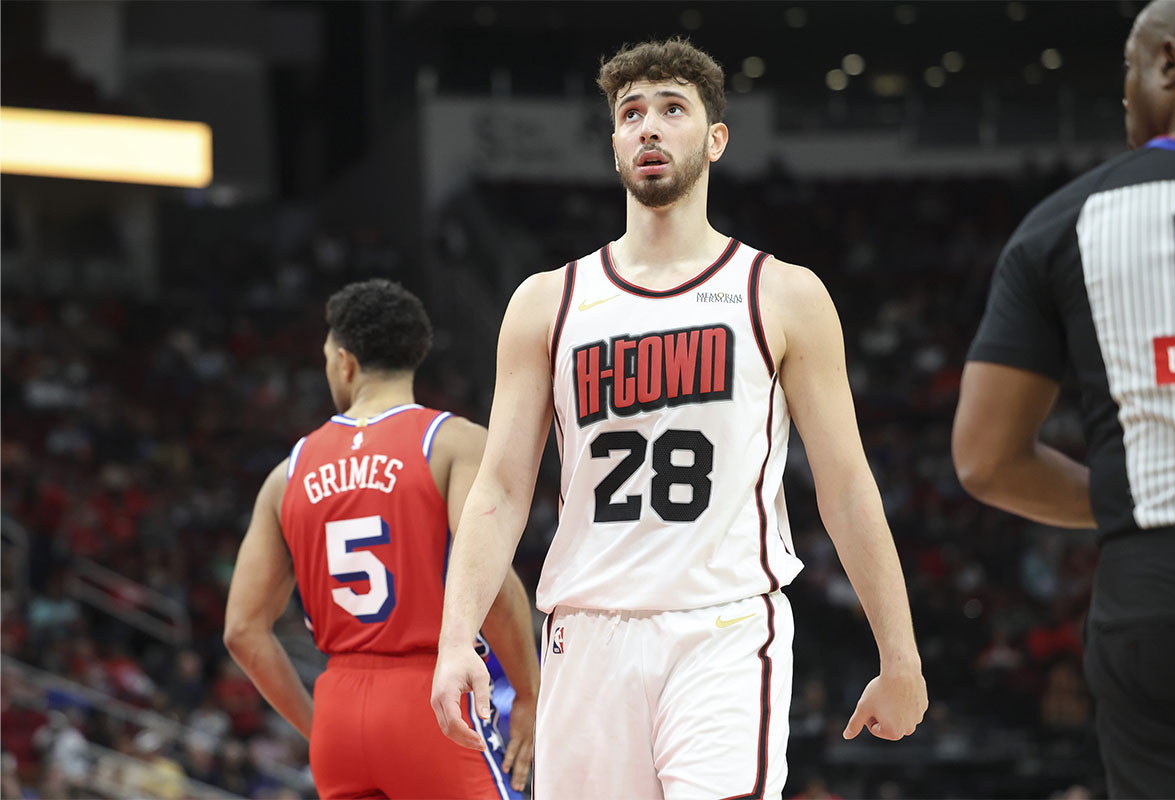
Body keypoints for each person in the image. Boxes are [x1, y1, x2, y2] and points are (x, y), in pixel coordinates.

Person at [431, 38, 927, 799]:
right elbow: (498, 488)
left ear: (715, 138)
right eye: (631, 113)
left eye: (672, 109)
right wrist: (456, 635)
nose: (650, 128)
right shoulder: (545, 302)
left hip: (722, 629)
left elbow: (847, 486)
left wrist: (901, 657)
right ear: (613, 144)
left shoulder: (781, 294)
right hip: (586, 631)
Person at [952, 2, 1175, 797]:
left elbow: (986, 460)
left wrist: (1133, 501)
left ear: (1169, 61)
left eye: (1127, 71)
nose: (1124, 96)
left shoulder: (1065, 222)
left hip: (1160, 581)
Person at [224, 279, 540, 799]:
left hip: (340, 707)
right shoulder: (452, 443)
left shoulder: (287, 473)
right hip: (431, 695)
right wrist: (528, 694)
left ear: (344, 363)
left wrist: (322, 726)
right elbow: (496, 587)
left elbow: (242, 631)